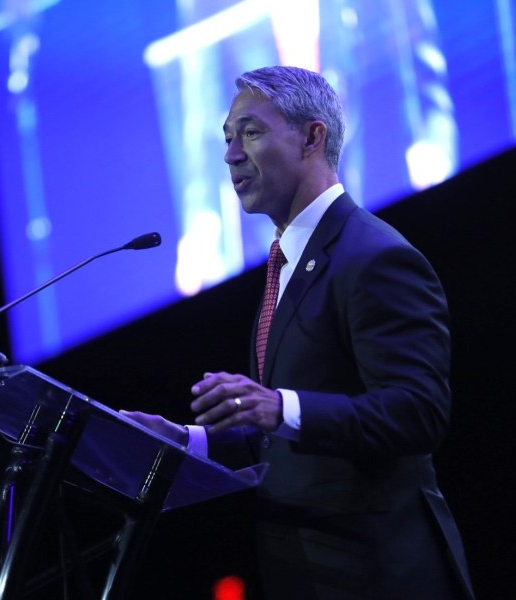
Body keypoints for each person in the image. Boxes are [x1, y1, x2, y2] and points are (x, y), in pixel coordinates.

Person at [121, 65, 474, 599]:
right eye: (227, 137)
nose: (231, 154)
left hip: (382, 575)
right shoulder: (287, 261)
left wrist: (280, 407)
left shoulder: (376, 257)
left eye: (251, 132)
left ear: (312, 137)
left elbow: (416, 412)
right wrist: (191, 442)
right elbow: (285, 437)